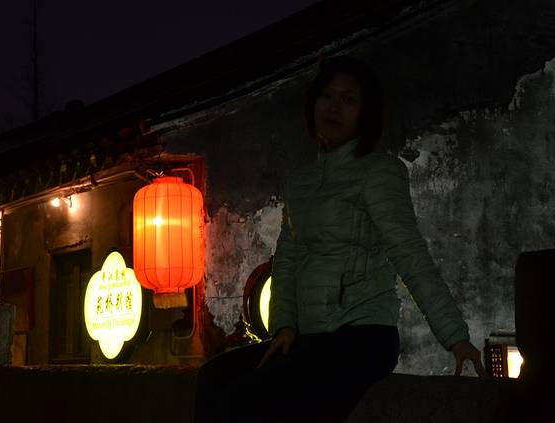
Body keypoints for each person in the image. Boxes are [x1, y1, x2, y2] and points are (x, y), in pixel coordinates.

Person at [194, 55, 487, 423]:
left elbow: (409, 252)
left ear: (365, 113)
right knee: (213, 377)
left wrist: (455, 337)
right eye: (327, 96)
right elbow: (288, 259)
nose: (334, 108)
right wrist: (284, 326)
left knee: (245, 402)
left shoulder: (378, 173)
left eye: (349, 100)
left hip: (362, 337)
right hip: (309, 339)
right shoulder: (302, 182)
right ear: (313, 103)